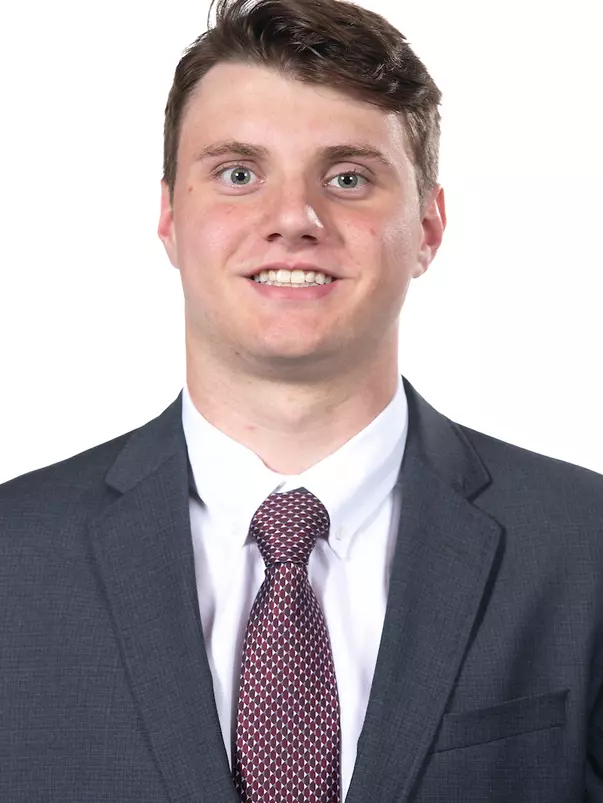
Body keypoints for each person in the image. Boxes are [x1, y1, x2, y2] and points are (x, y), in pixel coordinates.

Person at [1, 0, 602, 800]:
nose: (293, 218)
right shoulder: (12, 557)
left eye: (348, 178)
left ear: (427, 227)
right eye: (238, 174)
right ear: (170, 217)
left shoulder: (584, 548)